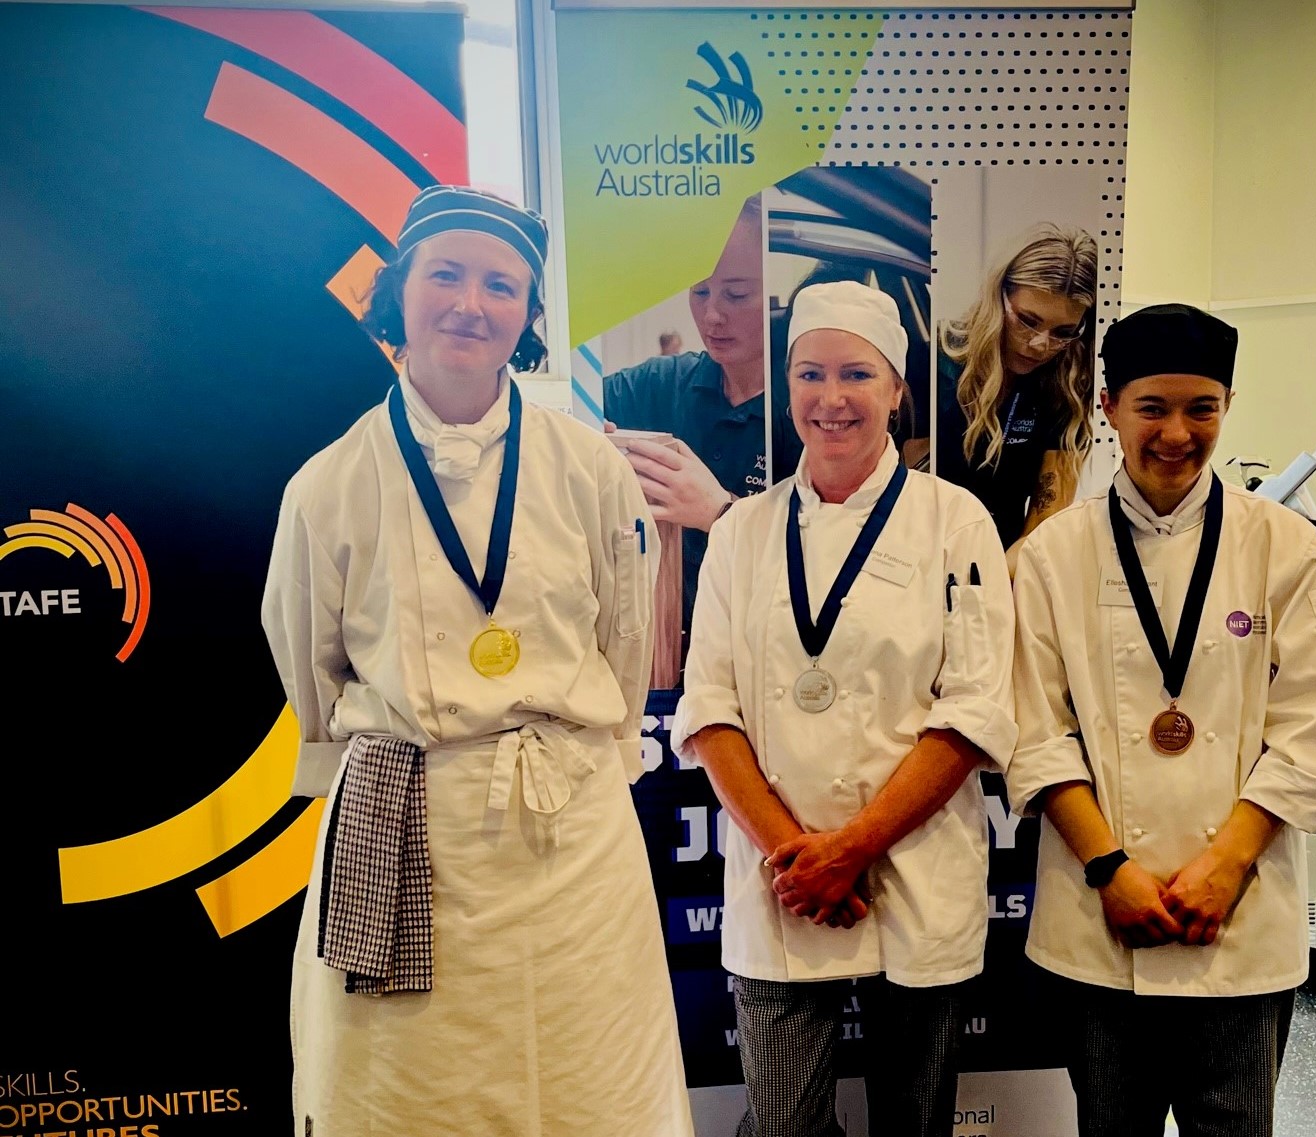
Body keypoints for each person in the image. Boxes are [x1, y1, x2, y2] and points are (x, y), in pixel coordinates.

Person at [261, 185, 693, 1136]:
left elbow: (624, 650)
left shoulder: (591, 468)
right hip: (407, 820)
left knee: (593, 1085)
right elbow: (308, 669)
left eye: (502, 285)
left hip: (570, 826)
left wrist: (585, 747)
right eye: (445, 274)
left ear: (528, 317)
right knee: (407, 1094)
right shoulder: (327, 484)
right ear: (399, 296)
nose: (470, 302)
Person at [671, 281, 1015, 1137]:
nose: (831, 399)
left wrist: (851, 848)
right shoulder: (742, 532)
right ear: (785, 388)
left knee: (916, 1120)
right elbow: (710, 709)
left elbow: (972, 711)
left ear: (897, 387)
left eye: (856, 374)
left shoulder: (953, 521)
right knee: (784, 1124)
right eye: (810, 374)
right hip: (778, 877)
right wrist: (800, 856)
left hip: (915, 869)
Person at [1006, 304, 1316, 1137]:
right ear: (1107, 406)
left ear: (1226, 405)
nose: (1175, 433)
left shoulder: (1283, 545)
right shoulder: (1052, 555)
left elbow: (1309, 722)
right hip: (1099, 918)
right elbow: (1032, 730)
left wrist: (1223, 866)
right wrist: (1110, 870)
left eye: (1201, 408)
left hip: (1238, 917)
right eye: (1151, 407)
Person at [604, 197, 783, 658]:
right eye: (699, 292)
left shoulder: (813, 409)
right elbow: (560, 410)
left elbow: (834, 553)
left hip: (768, 658)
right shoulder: (661, 386)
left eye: (737, 294)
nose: (712, 315)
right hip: (666, 658)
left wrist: (720, 514)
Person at [935, 223, 1098, 560]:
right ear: (999, 296)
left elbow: (1043, 525)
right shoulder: (937, 363)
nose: (1041, 344)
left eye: (1063, 331)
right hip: (921, 558)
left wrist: (996, 587)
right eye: (1027, 320)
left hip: (1004, 565)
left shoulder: (1065, 388)